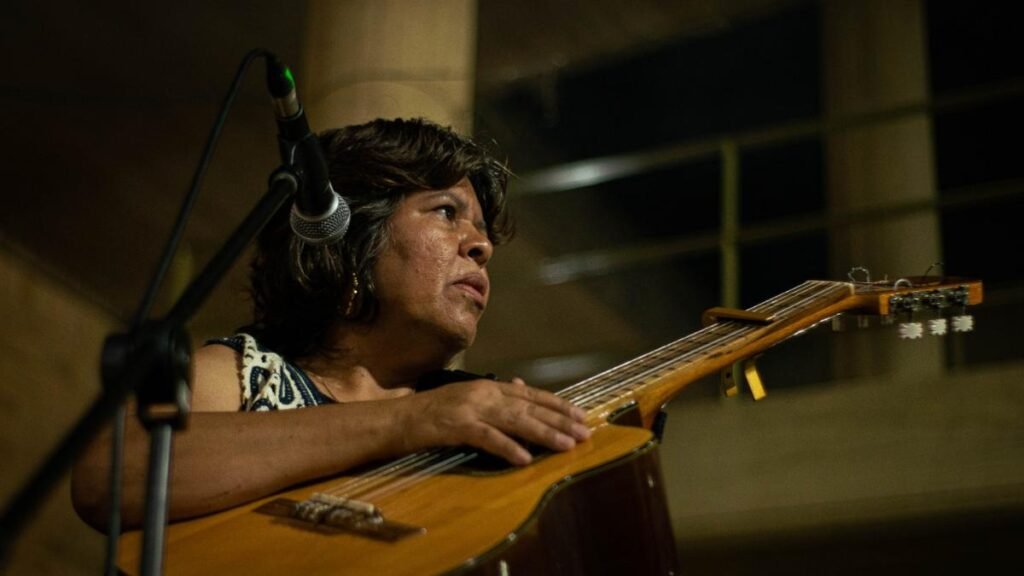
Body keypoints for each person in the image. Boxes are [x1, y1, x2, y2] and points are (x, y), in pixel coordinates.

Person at [71, 117, 591, 531]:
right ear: (355, 243)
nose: (482, 246)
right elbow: (107, 476)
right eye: (446, 212)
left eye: (480, 229)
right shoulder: (247, 377)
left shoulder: (478, 426)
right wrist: (409, 421)